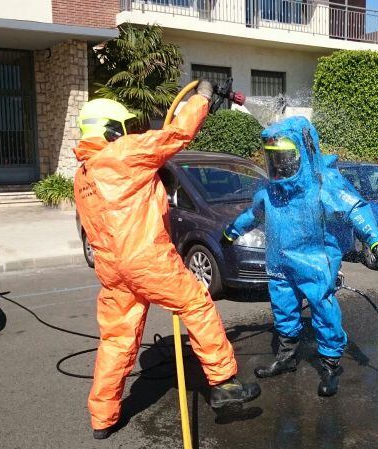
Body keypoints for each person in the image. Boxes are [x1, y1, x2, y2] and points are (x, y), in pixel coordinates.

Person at [74, 82, 260, 440]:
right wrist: (202, 96)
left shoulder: (83, 176)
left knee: (115, 339)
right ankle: (223, 383)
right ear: (113, 130)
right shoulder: (124, 153)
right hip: (146, 259)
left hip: (112, 269)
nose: (129, 132)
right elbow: (177, 133)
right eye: (123, 127)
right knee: (196, 305)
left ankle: (103, 417)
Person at [223, 117, 378, 396]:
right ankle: (287, 358)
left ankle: (330, 364)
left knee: (323, 311)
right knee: (283, 309)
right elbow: (253, 215)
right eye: (273, 159)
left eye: (284, 158)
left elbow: (355, 209)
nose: (278, 165)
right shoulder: (270, 192)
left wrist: (375, 238)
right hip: (279, 264)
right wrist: (232, 231)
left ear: (303, 152)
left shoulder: (323, 185)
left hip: (314, 264)